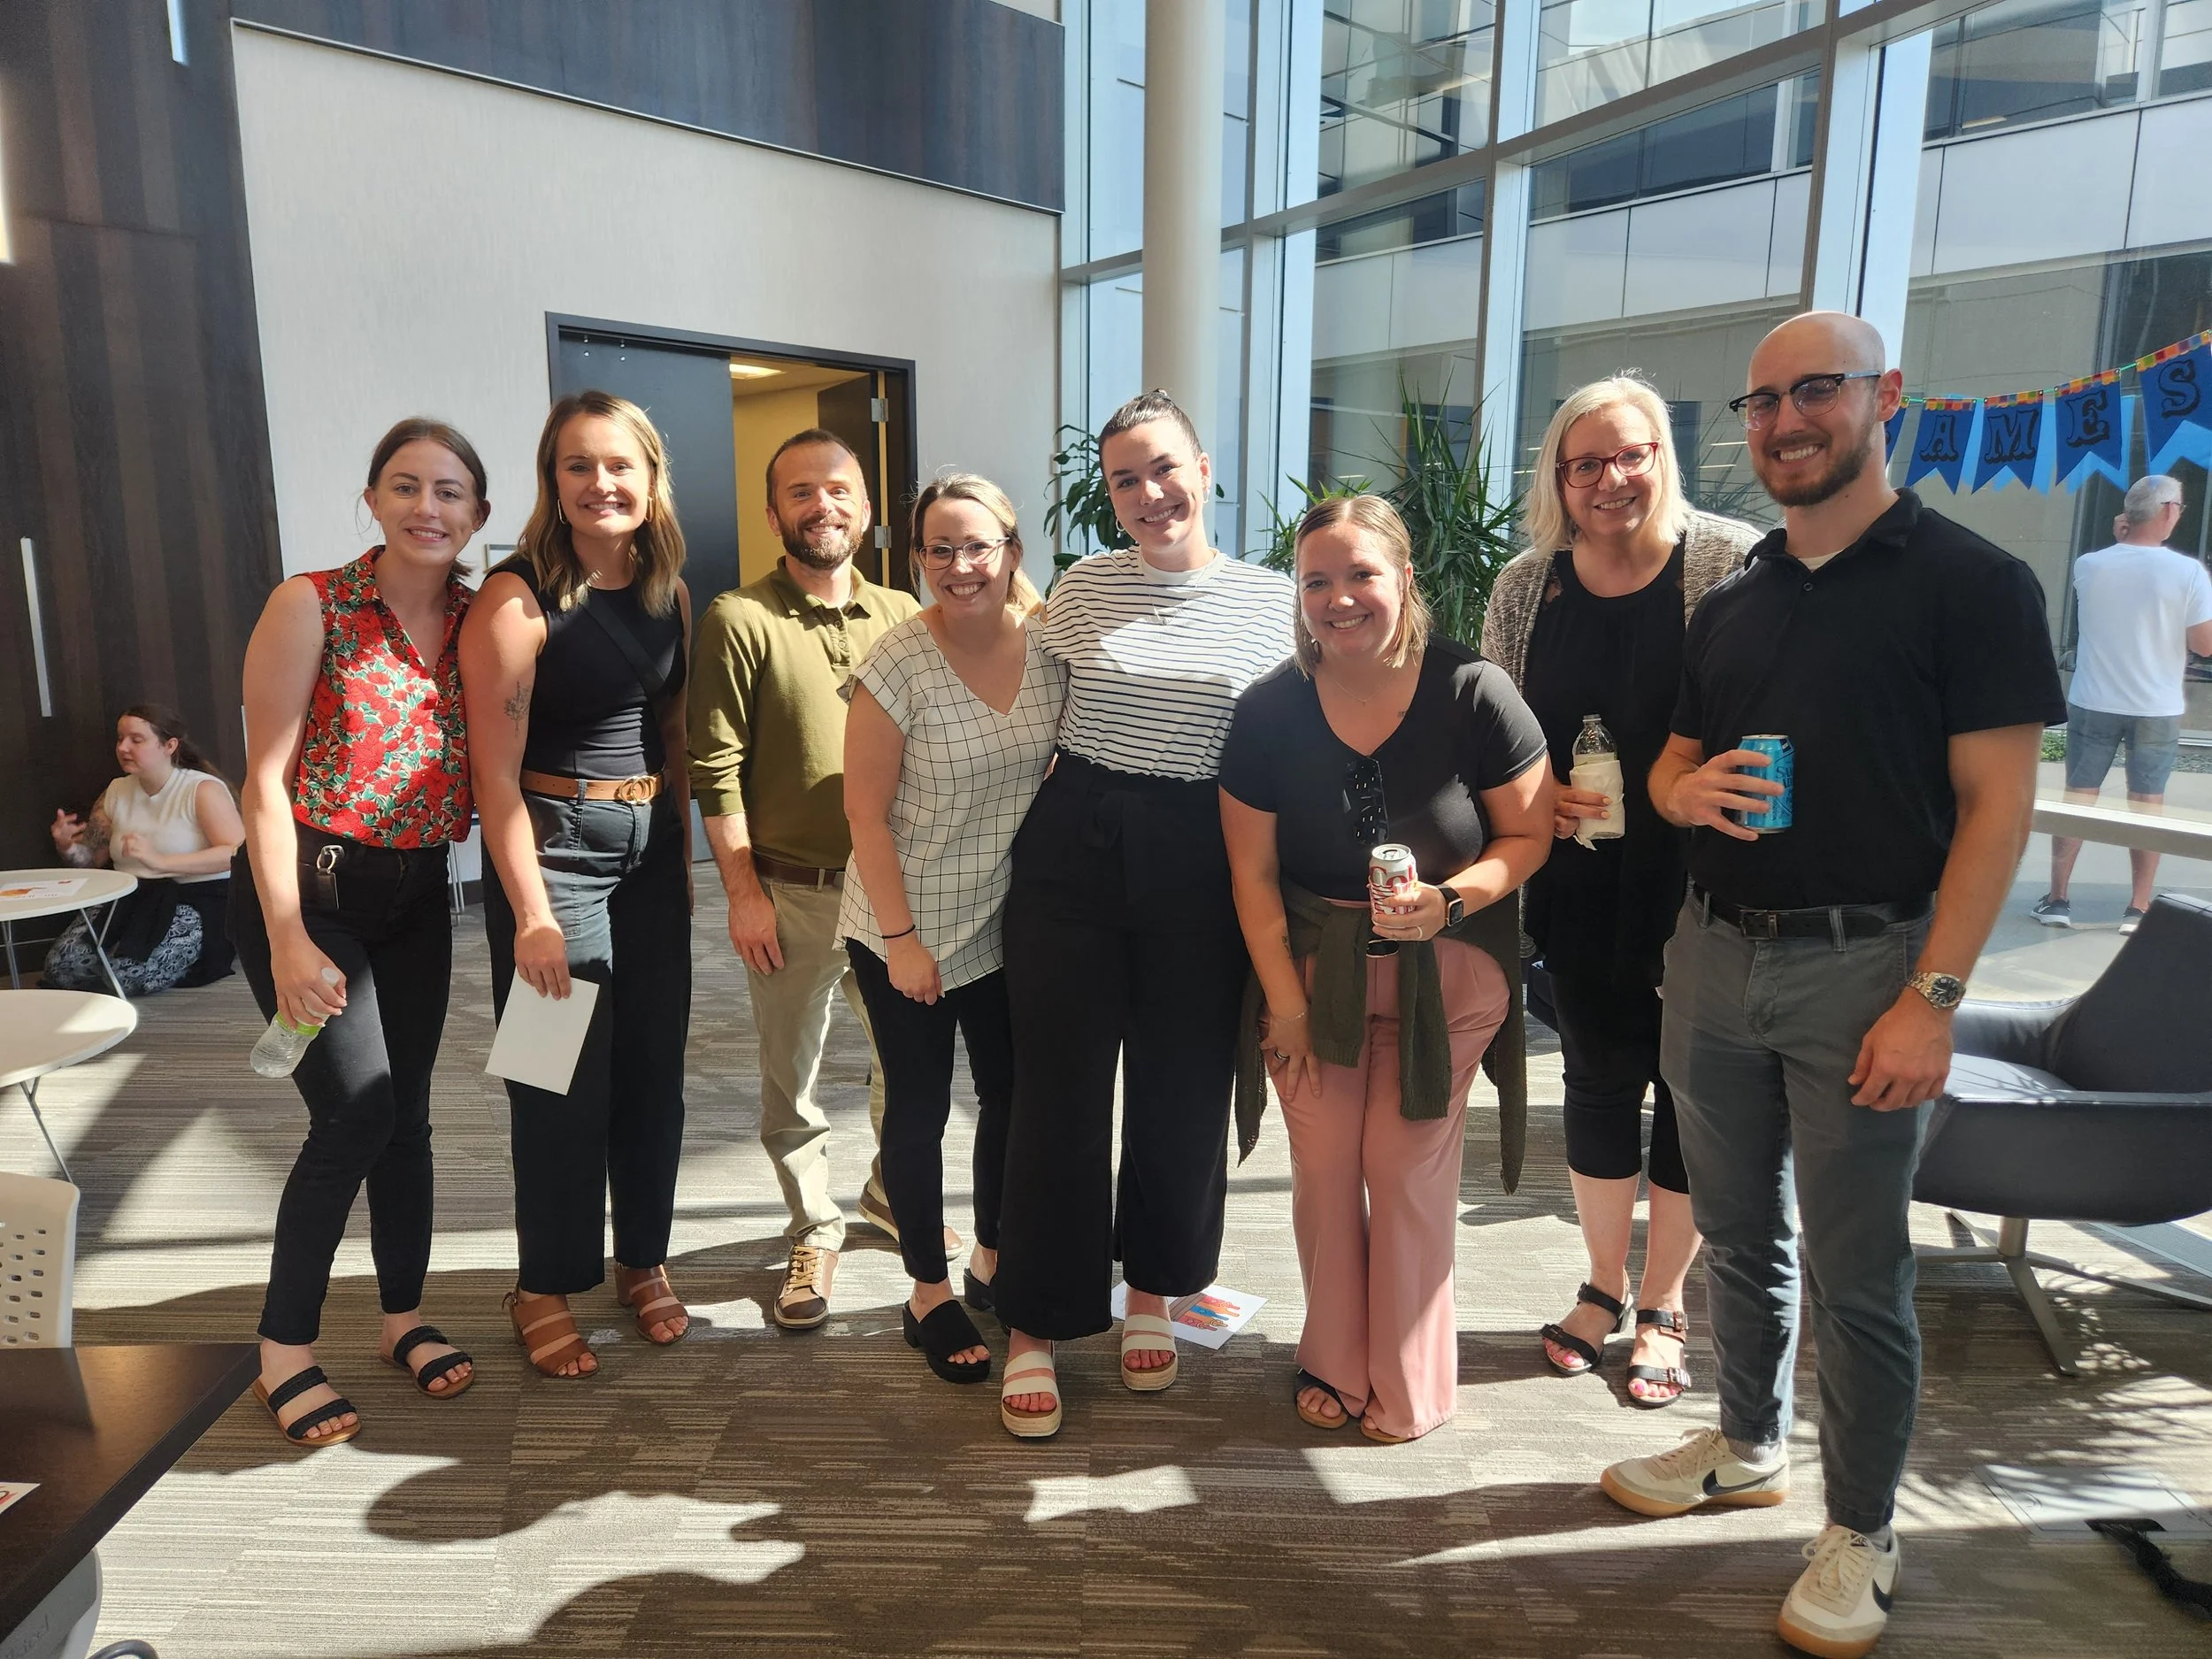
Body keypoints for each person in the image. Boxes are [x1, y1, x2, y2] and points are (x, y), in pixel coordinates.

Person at [1601, 313, 2062, 1659]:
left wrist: (1934, 995)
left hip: (1872, 966)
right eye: (1763, 402)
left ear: (1885, 399)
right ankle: (1749, 1440)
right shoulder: (1738, 590)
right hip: (1714, 950)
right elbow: (1671, 764)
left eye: (1817, 392)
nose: (1786, 421)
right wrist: (1681, 787)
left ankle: (1862, 1522)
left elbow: (1997, 808)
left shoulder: (1972, 582)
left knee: (1862, 1274)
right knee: (1737, 1233)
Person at [994, 389, 1295, 1440]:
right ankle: (1036, 1320)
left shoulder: (1272, 599)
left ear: (1204, 470)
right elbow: (1026, 719)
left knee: (1181, 1086)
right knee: (1058, 1093)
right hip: (1074, 840)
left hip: (1203, 850)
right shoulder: (1079, 588)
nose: (1148, 493)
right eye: (1125, 479)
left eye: (1164, 469)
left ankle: (1155, 1295)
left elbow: (1296, 743)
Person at [1220, 495, 1550, 1443]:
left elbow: (1526, 836)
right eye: (1316, 580)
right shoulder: (1269, 710)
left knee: (1403, 1169)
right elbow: (1250, 873)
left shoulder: (1472, 690)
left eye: (1360, 574)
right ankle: (1333, 1359)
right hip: (1311, 974)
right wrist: (1281, 1004)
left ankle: (1409, 1379)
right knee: (1325, 1170)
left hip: (1442, 974)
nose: (1338, 598)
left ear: (1403, 577)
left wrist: (1451, 900)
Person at [1480, 375, 1761, 1406]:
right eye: (1586, 462)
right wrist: (1530, 791)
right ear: (1559, 476)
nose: (1611, 478)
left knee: (1692, 1094)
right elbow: (1497, 723)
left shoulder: (1726, 561)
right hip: (1580, 879)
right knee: (1597, 1081)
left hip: (1703, 886)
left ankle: (1664, 1305)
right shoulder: (1527, 584)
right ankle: (1600, 1287)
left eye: (1632, 453)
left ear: (1663, 457)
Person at [233, 418, 488, 1446]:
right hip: (310, 894)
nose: (429, 508)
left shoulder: (479, 619)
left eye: (451, 492)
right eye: (407, 486)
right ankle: (282, 1351)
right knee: (353, 1115)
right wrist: (288, 935)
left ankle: (401, 1318)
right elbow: (258, 781)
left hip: (419, 893)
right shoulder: (313, 604)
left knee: (411, 1116)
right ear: (374, 500)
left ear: (478, 515)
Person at [463, 390, 694, 1380]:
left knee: (652, 1077)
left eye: (618, 466)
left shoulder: (666, 589)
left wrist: (679, 872)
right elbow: (492, 778)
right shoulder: (515, 600)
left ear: (650, 479)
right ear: (551, 481)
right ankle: (543, 1284)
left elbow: (671, 736)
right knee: (552, 1083)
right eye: (576, 466)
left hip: (647, 862)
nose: (600, 484)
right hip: (554, 860)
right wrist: (531, 914)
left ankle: (640, 1258)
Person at [690, 430, 921, 1332]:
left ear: (866, 507)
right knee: (792, 1075)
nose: (821, 506)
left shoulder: (907, 614)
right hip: (789, 891)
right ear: (773, 510)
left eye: (838, 489)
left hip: (893, 890)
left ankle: (884, 1192)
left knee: (907, 1064)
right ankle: (813, 1225)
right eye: (799, 492)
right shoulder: (738, 618)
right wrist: (743, 893)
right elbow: (715, 767)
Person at [839, 472, 1064, 1385]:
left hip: (1003, 917)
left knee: (1010, 1097)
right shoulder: (896, 664)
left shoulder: (1048, 638)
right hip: (906, 920)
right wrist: (902, 943)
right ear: (918, 557)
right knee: (920, 1106)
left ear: (1012, 549)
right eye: (940, 548)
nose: (960, 566)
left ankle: (994, 1257)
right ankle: (927, 1287)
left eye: (979, 546)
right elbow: (864, 818)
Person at [2033, 474, 2212, 934]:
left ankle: (2057, 899)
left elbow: (2120, 562)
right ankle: (2137, 906)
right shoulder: (2189, 573)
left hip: (2094, 696)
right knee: (2148, 802)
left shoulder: (2089, 565)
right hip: (2157, 703)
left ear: (2127, 519)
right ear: (2170, 511)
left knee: (2079, 798)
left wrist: (2123, 540)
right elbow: (2204, 645)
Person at [48, 706, 243, 995]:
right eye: (120, 739)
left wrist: (161, 861)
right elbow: (91, 860)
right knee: (62, 969)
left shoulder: (201, 789)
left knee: (123, 975)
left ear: (169, 745)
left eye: (136, 740)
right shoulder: (116, 790)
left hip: (194, 901)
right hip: (130, 898)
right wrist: (67, 845)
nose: (123, 747)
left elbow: (237, 854)